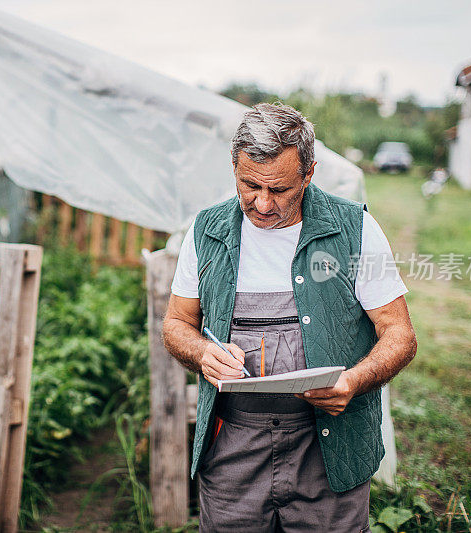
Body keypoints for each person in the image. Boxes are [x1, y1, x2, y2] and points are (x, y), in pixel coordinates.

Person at [162, 103, 417, 532]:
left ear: (309, 173)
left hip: (328, 445)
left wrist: (353, 382)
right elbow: (175, 325)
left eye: (279, 189)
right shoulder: (206, 231)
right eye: (249, 185)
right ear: (234, 166)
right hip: (233, 449)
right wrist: (202, 352)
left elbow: (400, 335)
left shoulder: (354, 229)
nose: (262, 203)